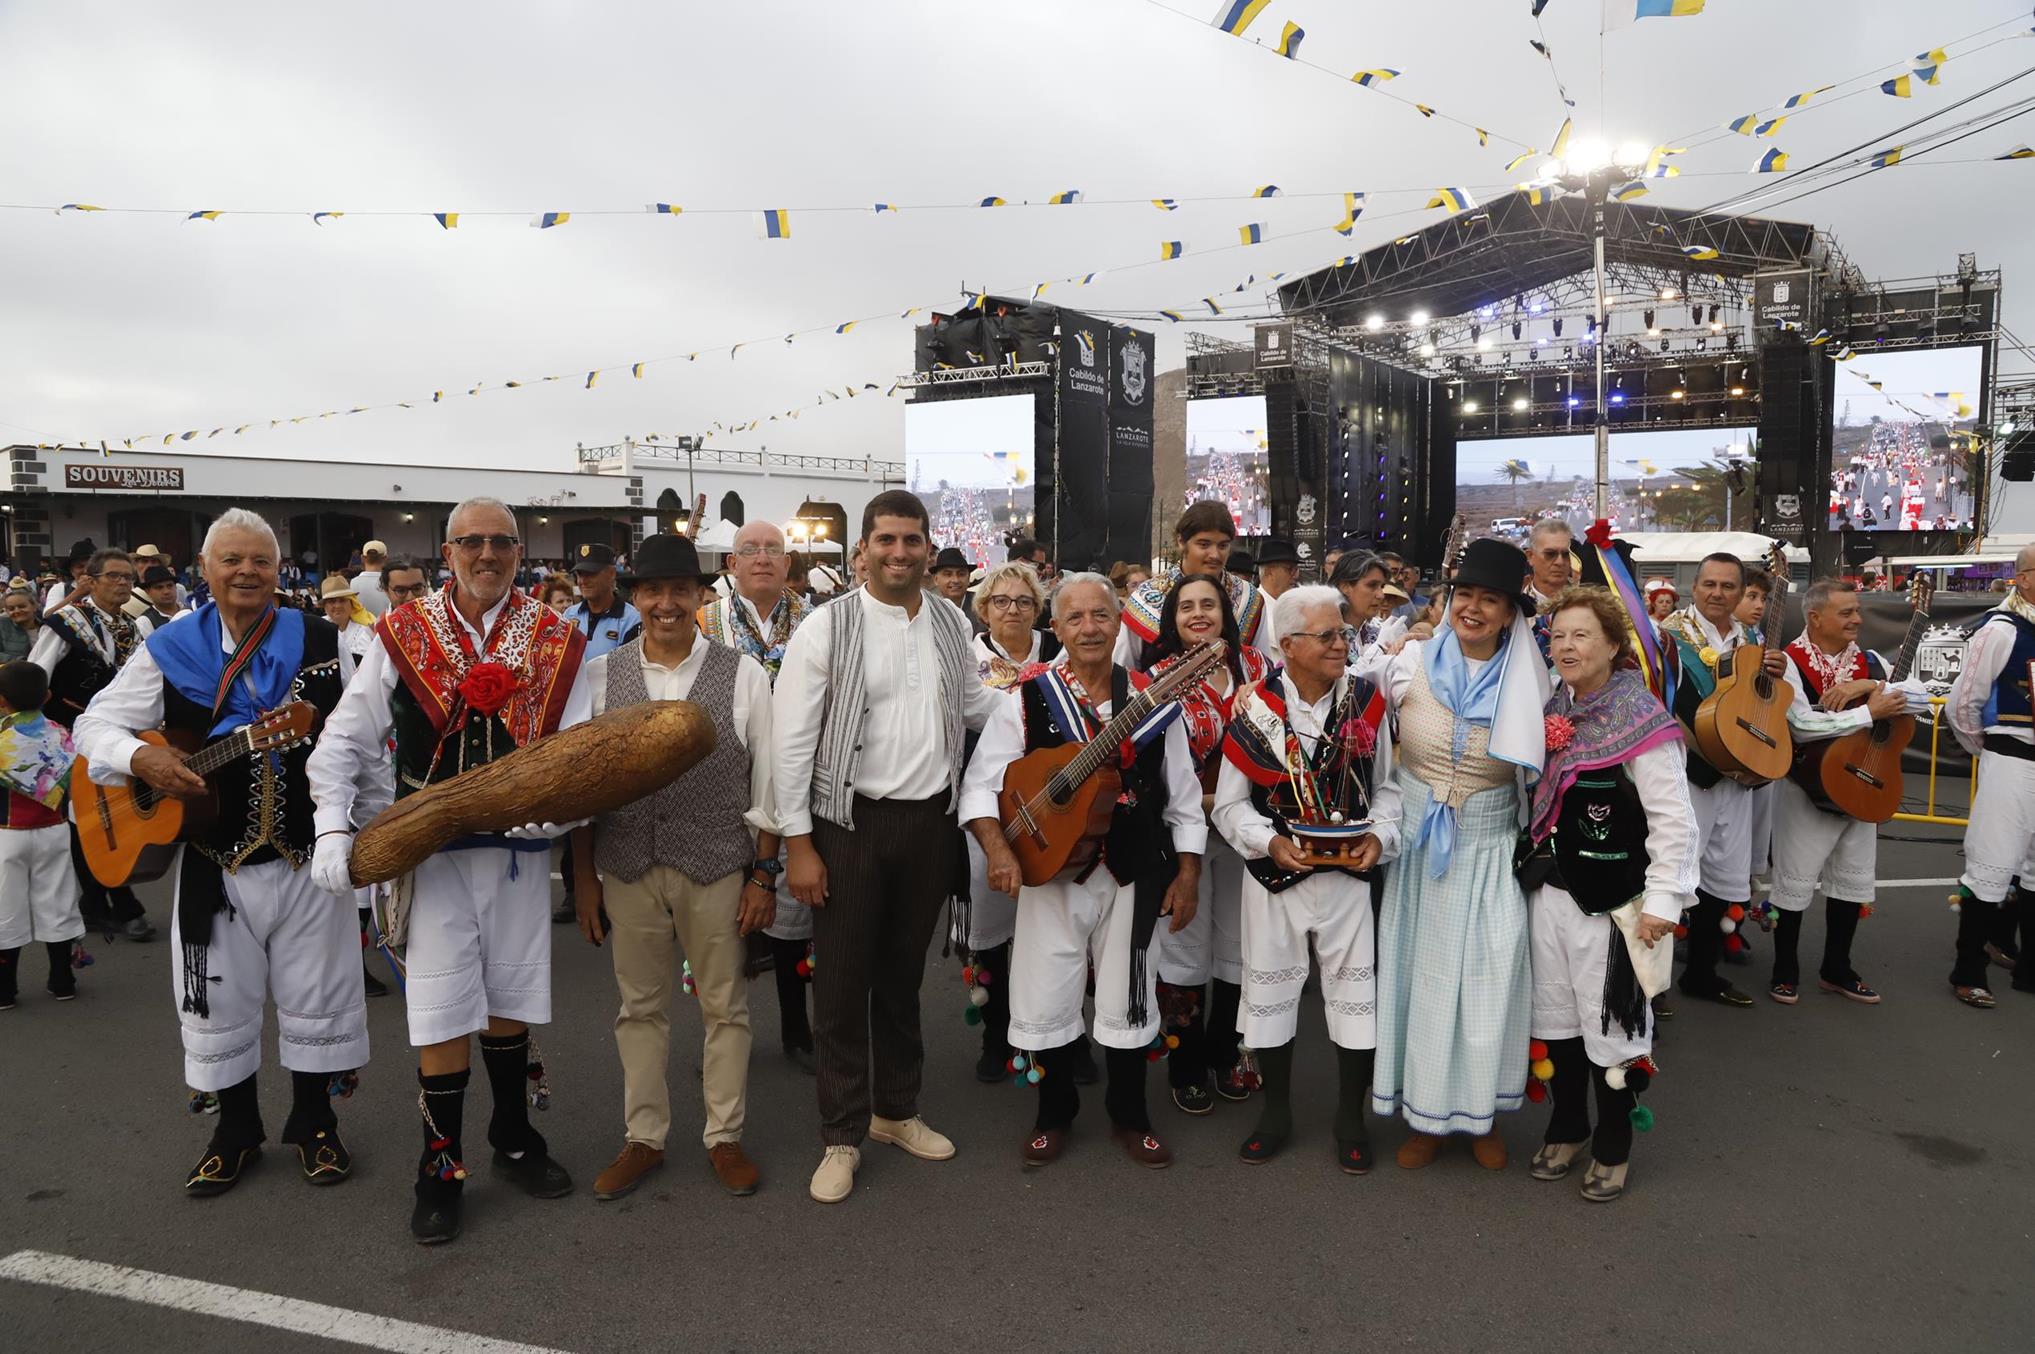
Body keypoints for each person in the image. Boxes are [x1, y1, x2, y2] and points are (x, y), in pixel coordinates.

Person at [307, 496, 590, 1244]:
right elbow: (340, 742)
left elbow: (586, 756)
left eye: (501, 542)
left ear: (521, 551)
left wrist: (560, 816)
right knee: (439, 1009)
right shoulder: (401, 632)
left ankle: (512, 1135)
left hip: (520, 860)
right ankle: (440, 1165)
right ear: (448, 550)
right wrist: (332, 829)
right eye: (472, 542)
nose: (487, 554)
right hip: (428, 859)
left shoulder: (558, 638)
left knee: (508, 1001)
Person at [74, 509, 369, 1194]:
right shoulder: (170, 646)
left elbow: (359, 735)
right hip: (214, 861)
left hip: (306, 857)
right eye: (231, 559)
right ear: (203, 569)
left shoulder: (324, 638)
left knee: (316, 993)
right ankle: (234, 1129)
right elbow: (94, 723)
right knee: (219, 999)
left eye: (260, 561)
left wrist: (360, 828)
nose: (246, 572)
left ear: (276, 570)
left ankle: (314, 1121)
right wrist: (140, 760)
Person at [772, 489, 1003, 1204]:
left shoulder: (948, 620)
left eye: (911, 541)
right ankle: (840, 1136)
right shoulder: (826, 627)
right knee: (840, 985)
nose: (898, 552)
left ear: (928, 549)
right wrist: (798, 847)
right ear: (863, 549)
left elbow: (975, 704)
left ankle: (895, 1112)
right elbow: (790, 743)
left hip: (928, 824)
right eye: (886, 540)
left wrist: (1050, 699)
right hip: (847, 824)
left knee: (901, 983)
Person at [962, 574, 1205, 1168]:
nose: (1089, 627)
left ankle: (1131, 1115)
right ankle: (1054, 1115)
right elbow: (980, 788)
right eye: (1075, 618)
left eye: (1101, 615)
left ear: (1118, 622)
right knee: (1045, 991)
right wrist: (999, 850)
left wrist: (1189, 874)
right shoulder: (1026, 699)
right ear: (1057, 627)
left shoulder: (1152, 698)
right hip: (1051, 872)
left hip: (1132, 870)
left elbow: (1184, 798)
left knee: (1129, 992)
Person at [569, 534, 781, 1202]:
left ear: (699, 597)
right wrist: (582, 880)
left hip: (716, 861)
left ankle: (724, 1136)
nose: (666, 603)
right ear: (636, 597)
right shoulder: (600, 677)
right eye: (653, 590)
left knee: (725, 1007)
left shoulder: (743, 674)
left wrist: (761, 874)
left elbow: (768, 782)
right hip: (627, 864)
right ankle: (644, 1138)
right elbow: (579, 787)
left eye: (679, 590)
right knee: (639, 1008)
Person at [1368, 537, 1549, 1169]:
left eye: (1489, 599)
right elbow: (1346, 712)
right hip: (1417, 848)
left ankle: (1480, 1117)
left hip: (1491, 845)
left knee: (1489, 979)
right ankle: (1424, 1119)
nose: (1472, 608)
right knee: (1419, 980)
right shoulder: (1405, 663)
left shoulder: (1534, 680)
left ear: (1509, 613)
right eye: (1463, 594)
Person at [1214, 585, 1400, 1172]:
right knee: (1270, 993)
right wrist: (1268, 841)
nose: (1341, 644)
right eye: (1326, 636)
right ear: (1287, 644)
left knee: (1354, 997)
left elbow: (1391, 787)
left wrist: (1381, 838)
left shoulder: (1368, 702)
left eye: (1343, 633)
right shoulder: (1254, 707)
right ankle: (1276, 1113)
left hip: (1348, 877)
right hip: (1275, 877)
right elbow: (1228, 806)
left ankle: (1351, 1116)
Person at [1521, 587, 1694, 1202]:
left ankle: (1615, 1137)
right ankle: (1569, 1123)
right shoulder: (1553, 706)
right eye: (1559, 635)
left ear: (1615, 645)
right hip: (1554, 893)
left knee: (1613, 1026)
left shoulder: (1638, 715)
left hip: (1615, 905)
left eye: (1582, 635)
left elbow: (1674, 818)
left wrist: (1663, 902)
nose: (1566, 646)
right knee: (1558, 1019)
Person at [698, 519, 819, 1072]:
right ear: (732, 564)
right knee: (720, 919)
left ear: (788, 564)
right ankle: (725, 1036)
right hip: (724, 781)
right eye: (751, 550)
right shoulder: (707, 621)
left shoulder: (816, 622)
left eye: (774, 550)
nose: (763, 558)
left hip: (796, 778)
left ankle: (798, 1028)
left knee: (791, 916)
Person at [1146, 574, 1269, 1113]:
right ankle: (1185, 1061)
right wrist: (1203, 803)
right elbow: (1151, 768)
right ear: (1171, 619)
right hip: (1184, 837)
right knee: (1182, 948)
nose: (1198, 614)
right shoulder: (1154, 680)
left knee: (1240, 945)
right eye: (1186, 607)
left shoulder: (1262, 672)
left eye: (1209, 605)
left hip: (1246, 836)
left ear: (1227, 614)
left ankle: (1226, 1054)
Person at [1772, 580, 1927, 1006]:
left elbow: (1921, 697)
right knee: (1794, 880)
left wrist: (1868, 688)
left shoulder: (1872, 661)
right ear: (1815, 618)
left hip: (1863, 781)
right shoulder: (1787, 661)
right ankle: (1784, 967)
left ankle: (1837, 968)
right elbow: (1800, 725)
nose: (1857, 619)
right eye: (1846, 613)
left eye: (1858, 610)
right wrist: (1868, 711)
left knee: (1850, 883)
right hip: (1807, 788)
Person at [1658, 554, 1789, 1009]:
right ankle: (1648, 989)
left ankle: (1701, 973)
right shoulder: (1668, 638)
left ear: (1740, 592)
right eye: (1709, 584)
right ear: (1693, 588)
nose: (1717, 593)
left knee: (1719, 881)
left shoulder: (1751, 637)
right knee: (1670, 878)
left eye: (1727, 586)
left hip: (1737, 774)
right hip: (1688, 771)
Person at [957, 561, 1063, 1083]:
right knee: (993, 922)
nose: (1013, 610)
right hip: (990, 804)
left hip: (1056, 803)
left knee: (1056, 919)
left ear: (1038, 608)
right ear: (984, 609)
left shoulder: (1061, 654)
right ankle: (996, 1032)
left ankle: (1061, 1038)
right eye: (1001, 601)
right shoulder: (969, 659)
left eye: (1023, 601)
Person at [30, 547, 158, 942]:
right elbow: (36, 674)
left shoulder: (135, 627)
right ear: (91, 580)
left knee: (107, 812)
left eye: (128, 578)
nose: (122, 583)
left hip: (115, 735)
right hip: (70, 735)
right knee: (85, 815)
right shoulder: (67, 622)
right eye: (114, 577)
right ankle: (119, 903)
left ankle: (97, 901)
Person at [1945, 543, 2035, 1007]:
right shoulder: (2002, 630)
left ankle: (2028, 970)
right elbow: (1964, 702)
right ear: (2022, 578)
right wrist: (1992, 751)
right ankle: (1968, 968)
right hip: (2013, 758)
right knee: (1992, 867)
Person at [0, 661, 85, 1010]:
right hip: (54, 829)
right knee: (58, 900)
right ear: (48, 695)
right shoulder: (62, 734)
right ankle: (62, 979)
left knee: (5, 908)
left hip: (6, 832)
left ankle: (5, 989)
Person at [1119, 503, 1276, 669]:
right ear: (1181, 541)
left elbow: (1262, 670)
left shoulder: (1247, 598)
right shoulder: (1146, 598)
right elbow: (1123, 669)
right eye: (1204, 544)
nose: (1215, 555)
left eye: (1223, 546)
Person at [564, 543, 641, 660]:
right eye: (580, 574)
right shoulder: (569, 615)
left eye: (591, 574)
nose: (583, 581)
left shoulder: (631, 620)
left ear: (612, 573)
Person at [320, 576, 376, 663]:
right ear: (324, 607)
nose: (338, 606)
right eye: (332, 601)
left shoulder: (364, 629)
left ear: (352, 603)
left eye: (342, 600)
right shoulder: (317, 627)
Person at [1526, 521, 1574, 611]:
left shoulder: (1588, 602)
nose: (1560, 562)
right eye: (1550, 554)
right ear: (1530, 556)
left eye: (1566, 554)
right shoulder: (1516, 607)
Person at [352, 540, 391, 618]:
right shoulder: (392, 583)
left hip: (360, 629)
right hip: (387, 628)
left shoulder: (352, 583)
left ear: (362, 558)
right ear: (386, 558)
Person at [1, 583, 38, 663]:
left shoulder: (47, 628)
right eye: (11, 609)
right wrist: (21, 661)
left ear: (34, 606)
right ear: (7, 611)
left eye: (22, 606)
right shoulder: (2, 625)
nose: (17, 611)